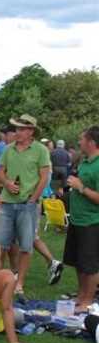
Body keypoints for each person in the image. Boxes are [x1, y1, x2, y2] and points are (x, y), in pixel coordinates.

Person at [0, 114, 52, 297]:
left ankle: (19, 283)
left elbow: (44, 177)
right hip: (7, 204)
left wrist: (33, 199)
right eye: (16, 129)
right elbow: (0, 172)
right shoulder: (8, 149)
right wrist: (7, 182)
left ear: (31, 131)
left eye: (21, 129)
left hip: (28, 204)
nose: (17, 132)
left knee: (26, 246)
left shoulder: (41, 150)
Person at [63, 126, 99, 313]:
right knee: (78, 262)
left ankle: (88, 301)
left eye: (82, 139)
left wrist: (80, 187)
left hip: (91, 222)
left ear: (92, 142)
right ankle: (81, 295)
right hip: (77, 220)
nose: (79, 142)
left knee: (90, 265)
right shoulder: (85, 162)